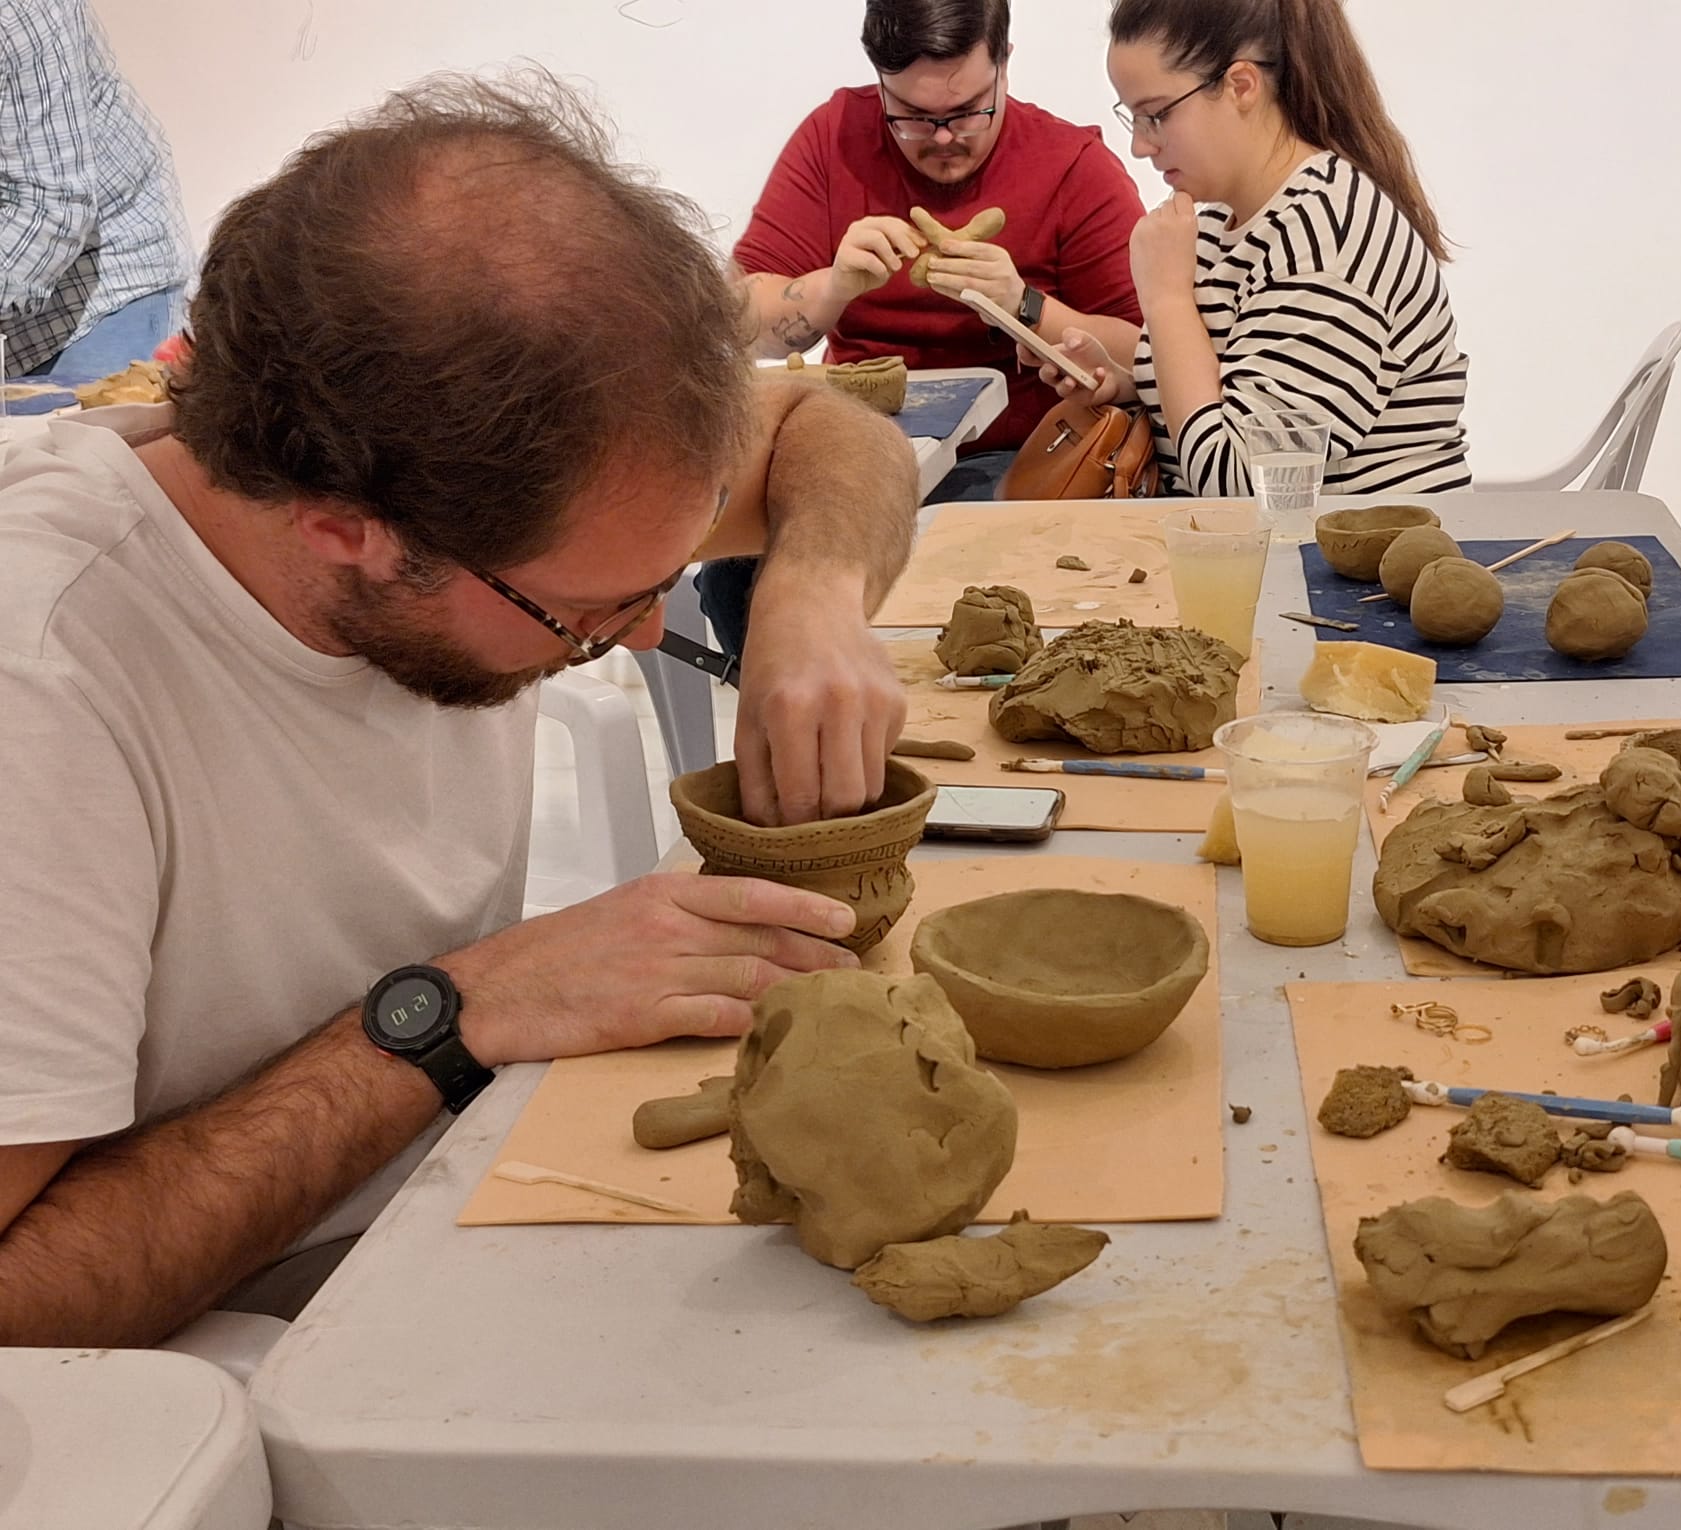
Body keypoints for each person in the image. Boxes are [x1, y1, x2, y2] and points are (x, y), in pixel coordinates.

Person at [0, 75, 920, 1348]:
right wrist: (451, 1014)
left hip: (454, 1195)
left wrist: (810, 594)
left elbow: (827, 426)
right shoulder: (46, 686)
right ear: (345, 530)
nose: (640, 634)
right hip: (231, 1354)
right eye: (590, 611)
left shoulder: (507, 475)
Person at [708, 0, 1146, 653]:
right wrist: (833, 286)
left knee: (958, 559)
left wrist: (1025, 304)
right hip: (850, 449)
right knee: (733, 577)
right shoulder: (834, 139)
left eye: (968, 111)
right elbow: (744, 325)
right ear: (879, 81)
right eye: (912, 117)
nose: (942, 139)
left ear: (1005, 64)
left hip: (1014, 455)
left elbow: (1147, 356)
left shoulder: (1071, 165)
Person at [1046, 0, 1471, 500]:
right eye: (1133, 118)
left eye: (1156, 115)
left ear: (1241, 86)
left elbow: (1244, 485)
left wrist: (1167, 302)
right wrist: (1124, 385)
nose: (1141, 145)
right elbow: (1215, 399)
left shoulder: (1325, 238)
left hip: (1351, 547)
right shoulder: (1217, 224)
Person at [1, 0, 193, 378]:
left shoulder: (19, 10)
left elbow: (51, 208)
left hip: (97, 299)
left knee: (96, 419)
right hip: (22, 304)